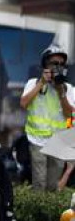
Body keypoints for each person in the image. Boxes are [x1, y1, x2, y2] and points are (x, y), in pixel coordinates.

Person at [20, 44, 75, 191]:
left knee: (53, 185)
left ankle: (50, 212)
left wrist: (61, 93)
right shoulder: (33, 83)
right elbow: (24, 103)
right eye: (54, 64)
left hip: (58, 141)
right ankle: (38, 212)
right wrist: (41, 84)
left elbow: (70, 115)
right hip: (37, 139)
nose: (58, 67)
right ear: (45, 65)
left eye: (61, 64)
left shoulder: (68, 89)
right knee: (39, 182)